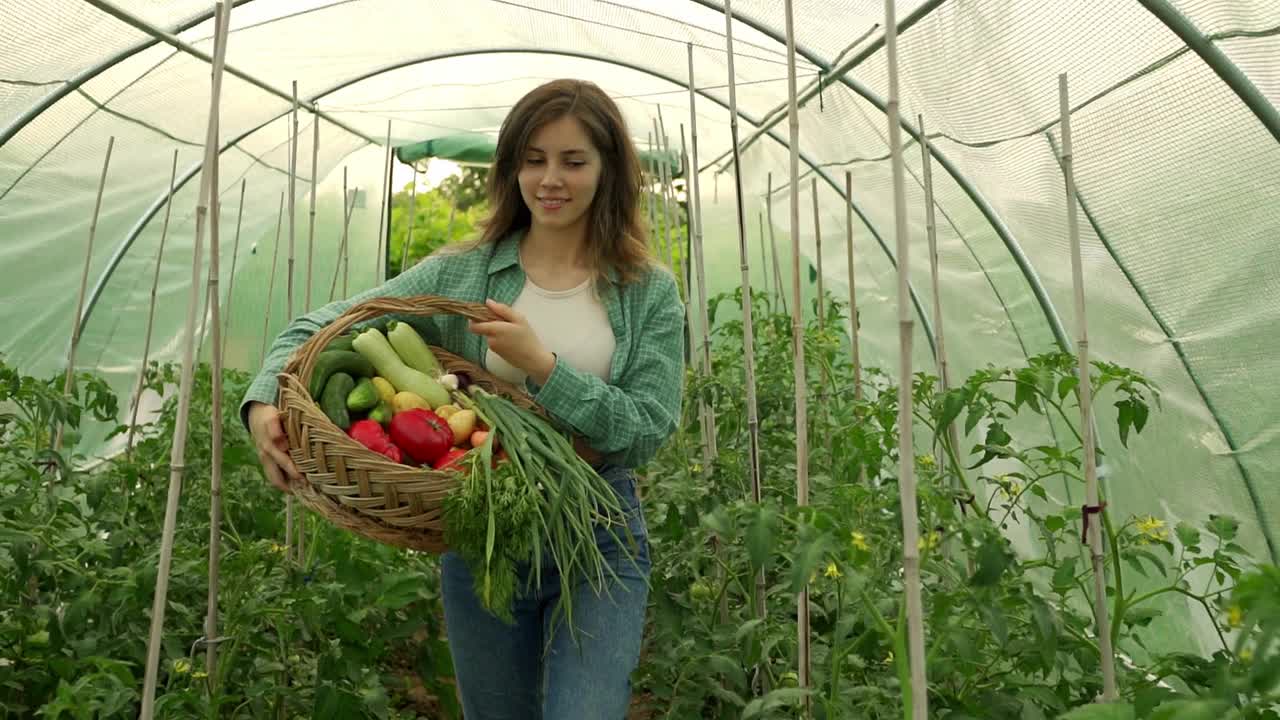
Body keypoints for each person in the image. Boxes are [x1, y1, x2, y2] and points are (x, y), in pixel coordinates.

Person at [240, 79, 685, 719]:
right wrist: (263, 402)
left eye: (573, 160)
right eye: (533, 160)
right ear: (511, 170)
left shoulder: (647, 292)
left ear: (610, 169)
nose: (550, 179)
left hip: (600, 530)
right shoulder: (468, 272)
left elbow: (645, 429)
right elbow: (326, 323)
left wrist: (543, 366)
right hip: (487, 528)